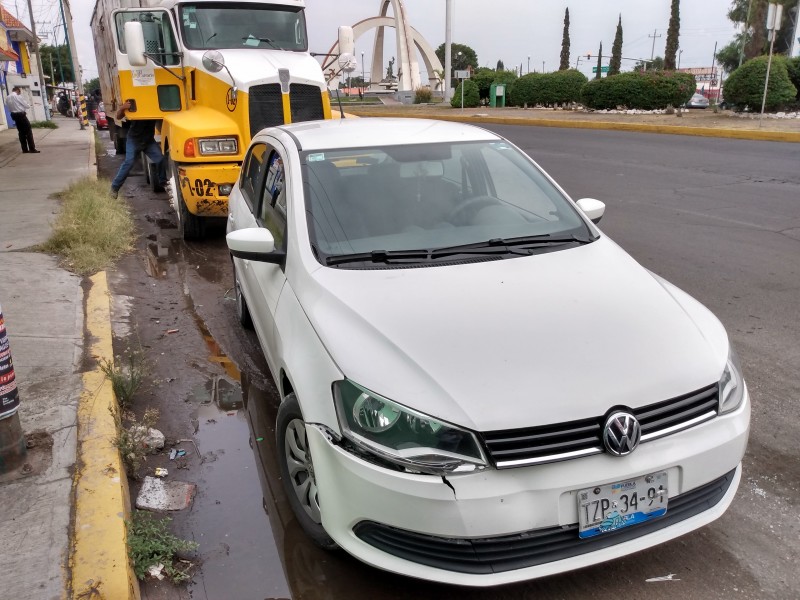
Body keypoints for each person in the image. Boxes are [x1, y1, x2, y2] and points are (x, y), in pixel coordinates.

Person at [110, 100, 167, 198]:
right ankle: (114, 188)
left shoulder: (155, 105)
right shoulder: (135, 103)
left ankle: (163, 183)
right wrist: (123, 108)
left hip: (148, 141)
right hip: (134, 140)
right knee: (129, 162)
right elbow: (118, 117)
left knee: (160, 159)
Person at [4, 86, 39, 154]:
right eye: (19, 92)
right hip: (21, 115)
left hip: (14, 115)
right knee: (28, 131)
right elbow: (26, 105)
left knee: (21, 132)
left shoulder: (7, 97)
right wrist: (27, 105)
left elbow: (7, 105)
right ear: (18, 90)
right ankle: (32, 148)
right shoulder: (18, 96)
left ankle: (24, 149)